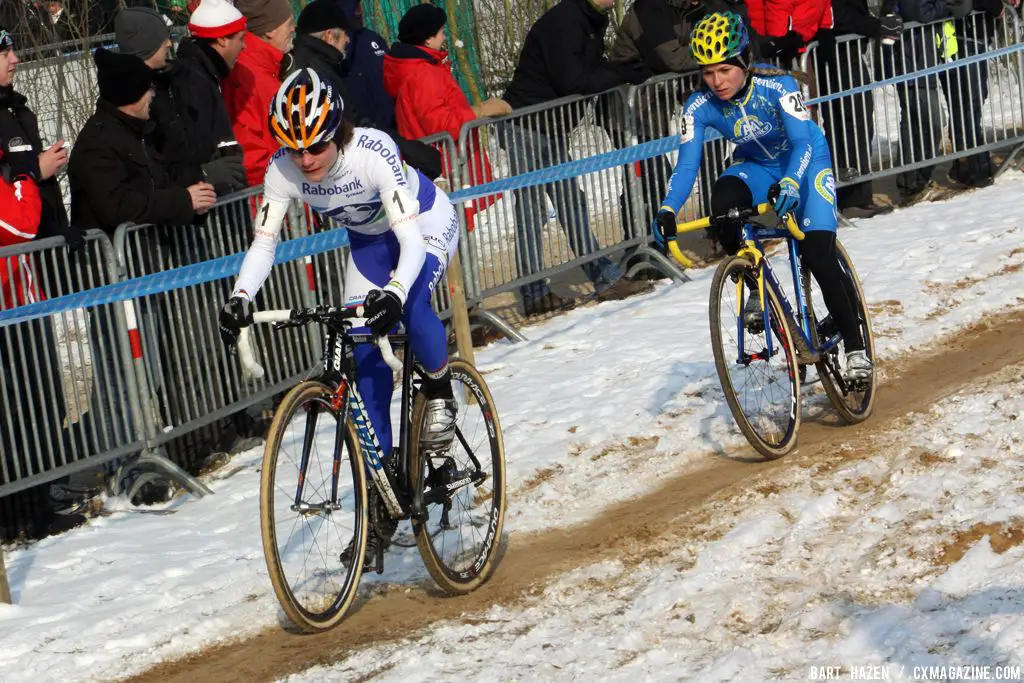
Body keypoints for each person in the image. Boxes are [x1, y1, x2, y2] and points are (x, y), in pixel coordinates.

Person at [217, 68, 461, 567]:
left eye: (316, 148)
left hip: (425, 225)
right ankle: (383, 496)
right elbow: (265, 242)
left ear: (337, 132)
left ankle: (439, 392)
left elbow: (411, 240)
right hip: (369, 244)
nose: (305, 160)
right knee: (361, 349)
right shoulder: (282, 170)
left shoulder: (371, 153)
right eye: (294, 148)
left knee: (411, 304)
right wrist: (241, 295)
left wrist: (393, 290)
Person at [651, 12, 872, 382]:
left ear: (743, 61)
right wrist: (668, 208)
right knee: (723, 203)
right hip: (755, 166)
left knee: (817, 251)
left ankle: (855, 348)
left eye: (724, 70)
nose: (716, 81)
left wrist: (789, 184)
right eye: (707, 73)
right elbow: (687, 165)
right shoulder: (697, 106)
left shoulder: (778, 85)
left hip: (805, 162)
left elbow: (802, 140)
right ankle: (755, 286)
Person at [502, 0, 654, 316]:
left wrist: (619, 69)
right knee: (531, 211)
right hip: (527, 126)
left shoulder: (591, 19)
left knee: (571, 202)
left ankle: (603, 278)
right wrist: (620, 73)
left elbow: (590, 70)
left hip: (551, 126)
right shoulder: (566, 21)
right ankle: (534, 293)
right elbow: (573, 81)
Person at [282, 0, 441, 180]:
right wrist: (414, 154)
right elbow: (352, 127)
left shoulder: (320, 64)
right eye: (343, 34)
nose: (348, 39)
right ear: (329, 36)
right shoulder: (314, 74)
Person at [384, 3, 508, 229]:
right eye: (441, 31)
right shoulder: (423, 74)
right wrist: (479, 111)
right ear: (427, 39)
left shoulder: (422, 68)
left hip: (442, 167)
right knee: (450, 237)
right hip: (443, 171)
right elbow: (440, 124)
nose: (445, 36)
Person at [117, 5, 247, 195]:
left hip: (197, 199)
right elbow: (161, 161)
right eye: (162, 39)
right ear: (221, 39)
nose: (170, 44)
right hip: (191, 207)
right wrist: (204, 174)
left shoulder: (191, 76)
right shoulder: (187, 82)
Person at [222, 0, 295, 186]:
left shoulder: (266, 68)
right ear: (269, 30)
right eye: (288, 24)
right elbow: (249, 152)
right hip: (273, 200)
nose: (293, 29)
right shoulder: (245, 74)